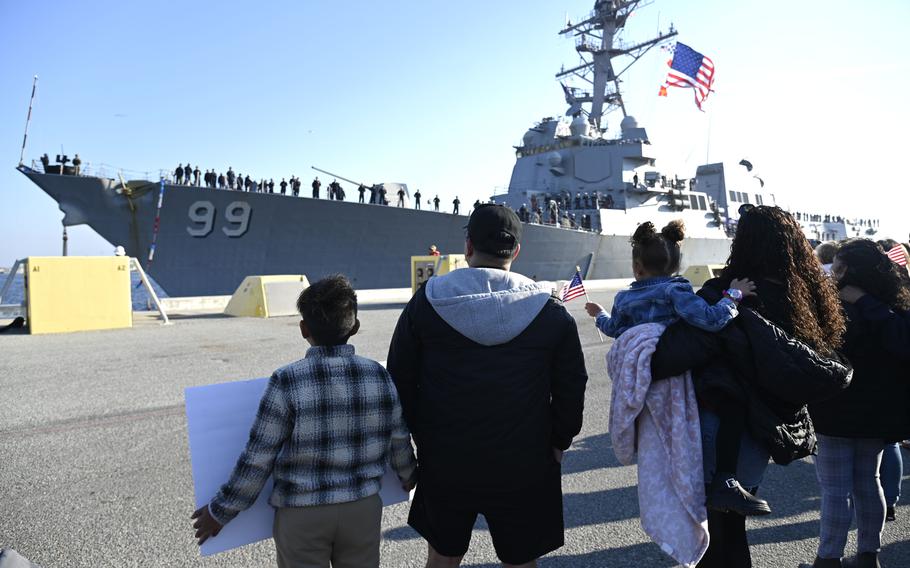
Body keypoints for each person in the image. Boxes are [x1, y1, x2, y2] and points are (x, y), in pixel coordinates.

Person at [649, 205, 851, 568]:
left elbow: (676, 354)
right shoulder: (803, 298)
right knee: (733, 527)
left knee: (713, 534)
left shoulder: (726, 291)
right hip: (765, 428)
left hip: (717, 422)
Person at [387, 204, 588, 568]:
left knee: (443, 557)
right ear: (516, 251)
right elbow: (572, 384)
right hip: (524, 460)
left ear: (468, 247)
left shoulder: (427, 302)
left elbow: (399, 378)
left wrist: (420, 440)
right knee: (520, 558)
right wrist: (560, 440)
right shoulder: (550, 310)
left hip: (446, 458)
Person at [191, 276, 417, 567]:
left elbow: (258, 458)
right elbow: (398, 438)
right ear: (356, 327)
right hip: (363, 508)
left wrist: (221, 510)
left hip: (302, 514)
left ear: (303, 329)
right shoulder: (378, 375)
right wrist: (409, 475)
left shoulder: (287, 380)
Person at [584, 221, 768, 516]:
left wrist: (599, 314)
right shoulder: (676, 290)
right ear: (677, 264)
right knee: (694, 425)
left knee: (659, 438)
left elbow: (615, 329)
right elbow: (709, 319)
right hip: (679, 372)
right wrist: (733, 296)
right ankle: (707, 483)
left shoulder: (623, 298)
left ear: (637, 267)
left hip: (645, 377)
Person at [801, 239, 910, 568]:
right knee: (869, 480)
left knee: (835, 488)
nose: (832, 272)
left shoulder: (832, 304)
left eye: (837, 267)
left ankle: (828, 559)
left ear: (848, 269)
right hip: (878, 410)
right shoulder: (891, 304)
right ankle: (868, 555)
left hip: (834, 408)